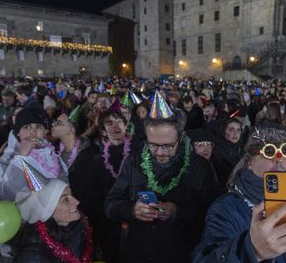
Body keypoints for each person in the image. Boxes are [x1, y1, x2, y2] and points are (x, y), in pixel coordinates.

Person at [105, 91, 220, 263]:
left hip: (182, 254)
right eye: (153, 145)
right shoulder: (134, 161)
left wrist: (177, 212)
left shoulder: (200, 167)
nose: (159, 152)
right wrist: (132, 210)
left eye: (167, 146)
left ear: (181, 138)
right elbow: (110, 204)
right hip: (139, 253)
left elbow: (215, 215)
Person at [192, 124, 286, 262]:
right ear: (249, 162)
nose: (278, 158)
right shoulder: (226, 209)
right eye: (269, 151)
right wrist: (251, 250)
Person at [69, 109, 134, 262]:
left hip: (134, 217)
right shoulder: (91, 154)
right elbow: (80, 186)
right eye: (109, 123)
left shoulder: (139, 150)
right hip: (105, 220)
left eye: (119, 121)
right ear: (103, 131)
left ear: (126, 125)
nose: (115, 126)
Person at [13, 167, 92, 263]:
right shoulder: (32, 255)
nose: (76, 202)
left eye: (72, 194)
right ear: (48, 214)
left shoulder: (78, 227)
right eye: (65, 200)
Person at [0, 107, 68, 202]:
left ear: (45, 132)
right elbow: (4, 196)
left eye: (38, 127)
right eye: (27, 127)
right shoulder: (5, 160)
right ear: (18, 132)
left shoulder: (53, 155)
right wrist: (21, 157)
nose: (33, 132)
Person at [211, 118, 245, 185]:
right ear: (223, 131)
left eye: (238, 130)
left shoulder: (243, 149)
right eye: (231, 130)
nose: (235, 133)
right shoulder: (217, 151)